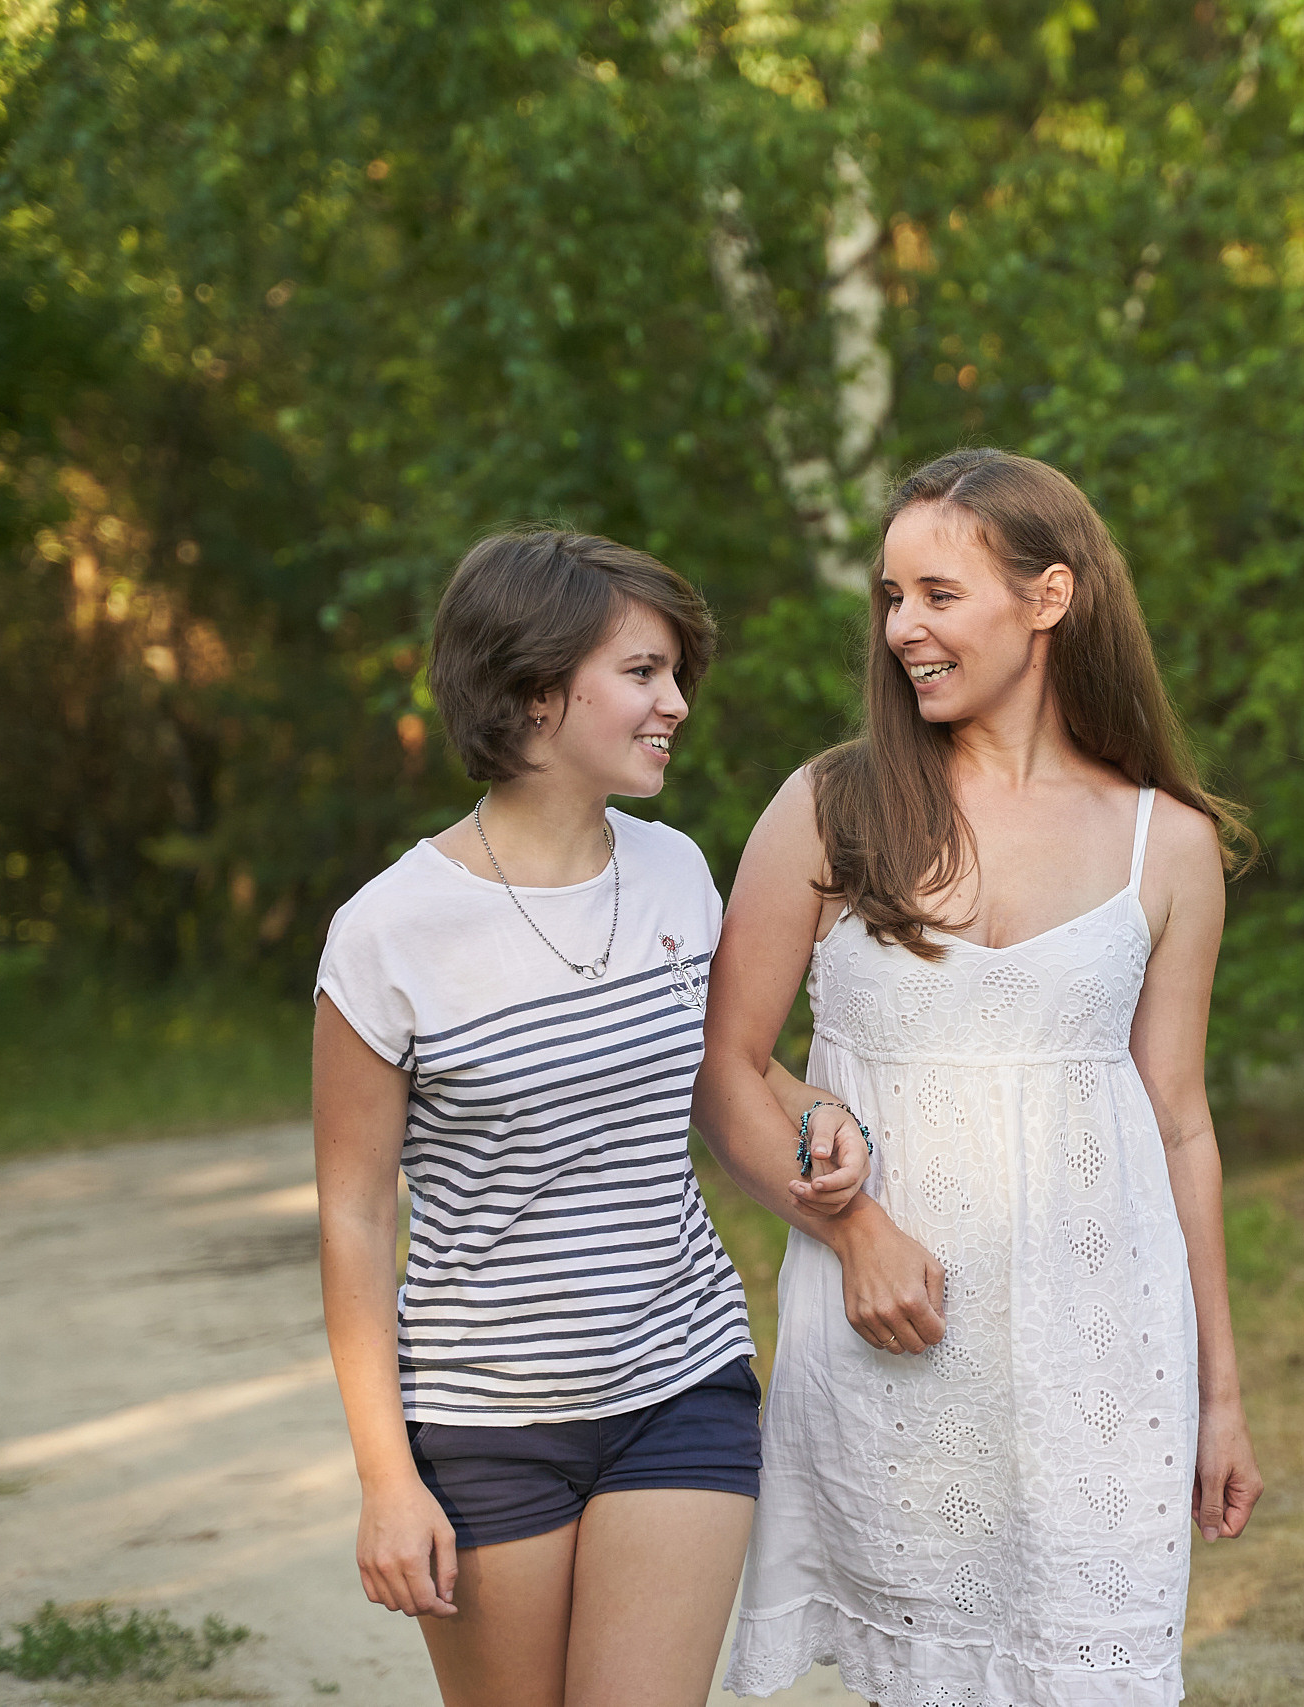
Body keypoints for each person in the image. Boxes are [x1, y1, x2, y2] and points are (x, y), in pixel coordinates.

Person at [698, 450, 1266, 1707]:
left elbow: (1178, 1124)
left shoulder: (1165, 844)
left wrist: (1220, 1400)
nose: (903, 628)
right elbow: (728, 1069)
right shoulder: (832, 808)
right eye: (889, 598)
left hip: (1101, 1356)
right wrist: (850, 1229)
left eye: (938, 594)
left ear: (1049, 597)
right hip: (896, 1342)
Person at [311, 530, 871, 1707]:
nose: (674, 703)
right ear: (532, 690)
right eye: (642, 673)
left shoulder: (673, 872)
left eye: (676, 675)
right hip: (485, 1421)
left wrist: (822, 1110)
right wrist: (385, 1479)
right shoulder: (387, 932)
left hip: (682, 1381)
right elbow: (357, 1216)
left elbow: (734, 1070)